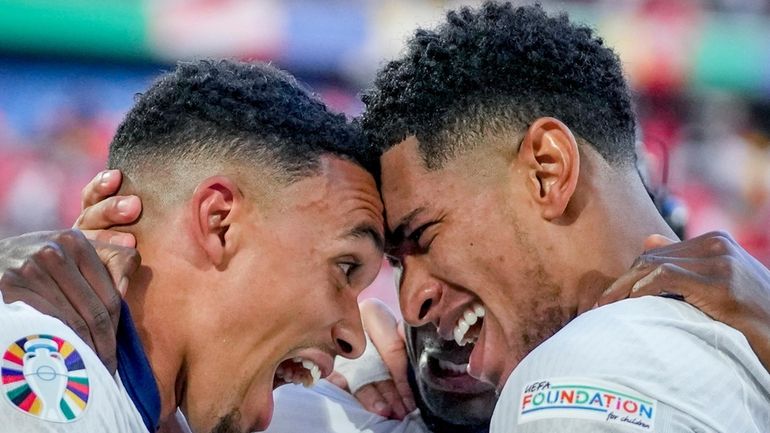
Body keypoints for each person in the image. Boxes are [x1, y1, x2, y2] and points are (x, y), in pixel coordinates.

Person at [361, 2, 770, 432]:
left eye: (423, 236)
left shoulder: (574, 377)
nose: (409, 304)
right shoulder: (738, 353)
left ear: (547, 171)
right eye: (396, 265)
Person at [0, 59, 387, 433]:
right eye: (345, 267)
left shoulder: (119, 400)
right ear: (219, 223)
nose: (354, 337)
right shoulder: (46, 375)